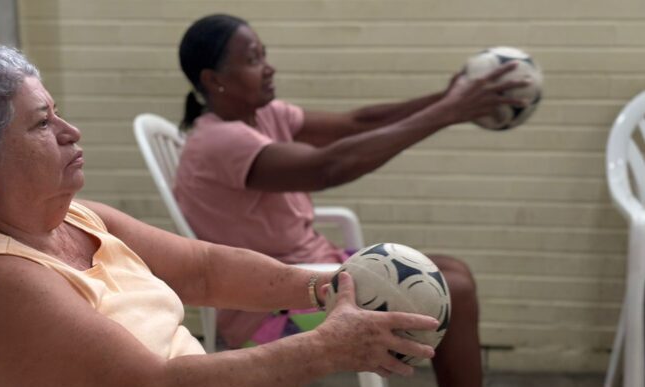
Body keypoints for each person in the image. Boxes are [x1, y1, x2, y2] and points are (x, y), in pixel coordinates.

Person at [0, 46, 439, 386]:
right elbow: (153, 385)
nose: (70, 132)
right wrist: (324, 348)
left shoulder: (76, 220)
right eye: (41, 124)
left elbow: (203, 269)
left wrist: (327, 287)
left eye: (58, 113)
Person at [173, 14, 529, 387]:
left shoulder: (263, 115)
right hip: (270, 310)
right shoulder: (219, 142)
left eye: (264, 55)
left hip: (313, 276)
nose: (268, 67)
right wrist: (449, 111)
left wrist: (446, 98)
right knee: (454, 289)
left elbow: (357, 123)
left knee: (454, 272)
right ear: (213, 79)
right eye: (252, 60)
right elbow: (327, 167)